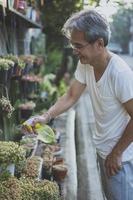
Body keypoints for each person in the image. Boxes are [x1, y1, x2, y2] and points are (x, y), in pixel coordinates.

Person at [24, 9, 133, 200]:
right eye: (73, 45)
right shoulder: (86, 64)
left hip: (121, 158)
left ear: (99, 43)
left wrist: (116, 153)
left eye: (79, 46)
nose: (75, 51)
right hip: (104, 151)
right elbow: (72, 95)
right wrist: (46, 116)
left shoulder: (120, 73)